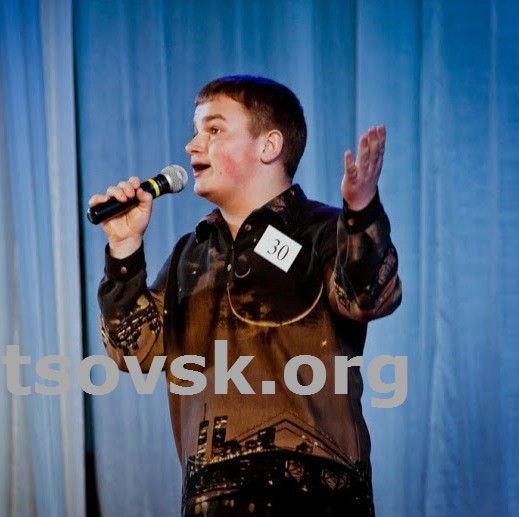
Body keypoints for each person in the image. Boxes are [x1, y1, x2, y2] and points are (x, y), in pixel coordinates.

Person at [90, 75, 402, 516]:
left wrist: (361, 214)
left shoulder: (323, 231)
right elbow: (132, 352)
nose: (192, 146)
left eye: (214, 130)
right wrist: (124, 250)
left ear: (269, 145)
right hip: (210, 499)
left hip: (316, 497)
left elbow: (369, 297)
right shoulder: (190, 254)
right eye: (195, 131)